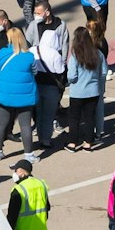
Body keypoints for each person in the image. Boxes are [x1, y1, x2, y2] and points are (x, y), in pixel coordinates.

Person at [0, 28, 38, 161]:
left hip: (5, 94)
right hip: (24, 95)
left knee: (0, 123)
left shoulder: (1, 53)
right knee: (25, 124)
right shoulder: (29, 56)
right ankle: (29, 155)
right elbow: (35, 72)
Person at [30, 8, 66, 154]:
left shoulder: (33, 50)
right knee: (49, 114)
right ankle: (46, 139)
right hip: (51, 87)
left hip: (36, 85)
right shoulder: (54, 54)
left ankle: (39, 136)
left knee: (38, 113)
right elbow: (60, 71)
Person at [4, 158, 49, 230]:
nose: (14, 173)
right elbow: (47, 207)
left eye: (16, 171)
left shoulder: (18, 190)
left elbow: (12, 216)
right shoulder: (41, 184)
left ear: (22, 173)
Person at [66, 25, 105, 150]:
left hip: (77, 92)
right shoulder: (98, 53)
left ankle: (73, 143)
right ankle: (88, 142)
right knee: (90, 117)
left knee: (74, 118)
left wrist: (73, 81)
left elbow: (71, 75)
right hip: (93, 91)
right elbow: (104, 72)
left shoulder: (75, 55)